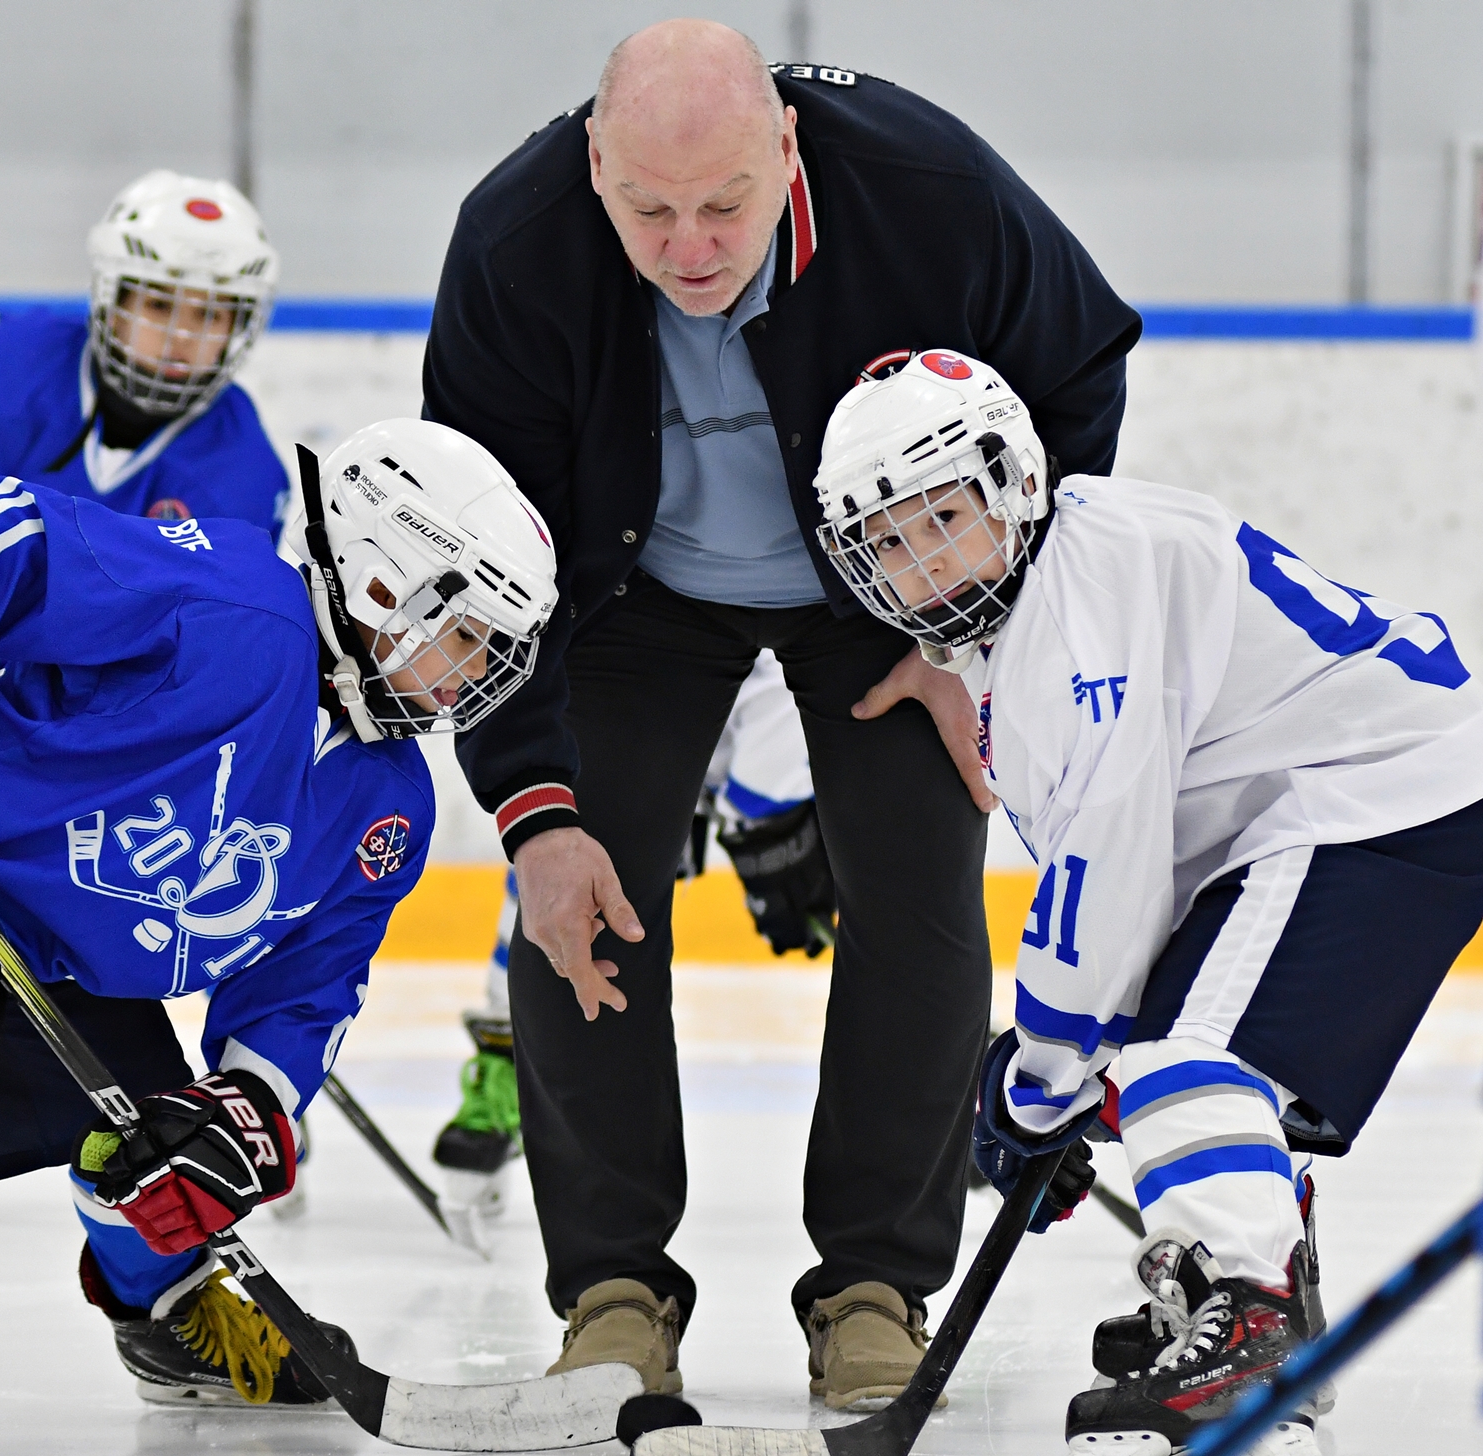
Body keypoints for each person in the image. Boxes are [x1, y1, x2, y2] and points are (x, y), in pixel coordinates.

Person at [422, 17, 1140, 1403]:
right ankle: (615, 1288)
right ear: (593, 164)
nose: (691, 244)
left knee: (921, 892)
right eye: (648, 208)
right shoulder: (513, 245)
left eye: (727, 204)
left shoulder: (931, 192)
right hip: (625, 600)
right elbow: (479, 561)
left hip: (884, 593)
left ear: (787, 146)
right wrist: (532, 811)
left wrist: (976, 641)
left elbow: (1083, 366)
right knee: (583, 891)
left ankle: (874, 1282)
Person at [0, 419, 559, 1456]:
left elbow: (312, 988)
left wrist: (249, 1103)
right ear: (387, 583)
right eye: (470, 633)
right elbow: (15, 534)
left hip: (60, 943)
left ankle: (171, 1320)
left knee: (157, 1141)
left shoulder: (388, 801)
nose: (482, 671)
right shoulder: (234, 609)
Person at [811, 347, 1483, 1453]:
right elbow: (1122, 879)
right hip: (1322, 801)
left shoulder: (1084, 602)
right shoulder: (1032, 610)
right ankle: (1257, 1297)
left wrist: (1039, 1082)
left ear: (1011, 482)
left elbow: (1110, 869)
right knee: (1177, 1051)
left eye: (940, 518)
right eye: (882, 542)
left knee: (1183, 1054)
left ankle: (1249, 1322)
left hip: (1372, 795)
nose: (917, 564)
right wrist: (1070, 1067)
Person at [431, 655, 832, 1254]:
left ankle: (931, 1063)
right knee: (559, 880)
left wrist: (767, 812)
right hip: (642, 688)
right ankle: (510, 1059)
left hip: (777, 689)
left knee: (872, 869)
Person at [0, 168, 286, 549]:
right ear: (112, 301)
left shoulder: (245, 477)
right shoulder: (4, 368)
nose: (181, 335)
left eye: (210, 314)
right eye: (160, 304)